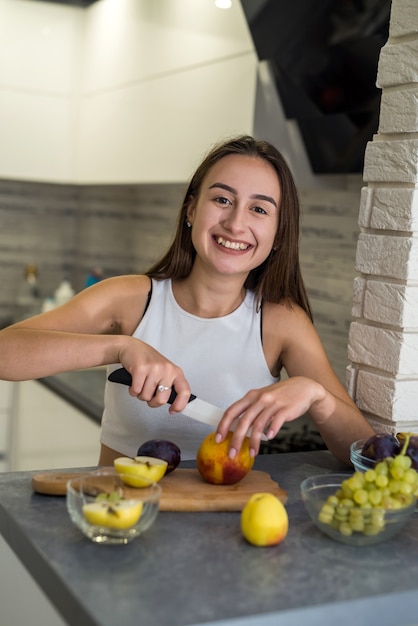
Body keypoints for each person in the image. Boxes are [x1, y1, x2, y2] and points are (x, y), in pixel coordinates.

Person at [0, 135, 374, 466]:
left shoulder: (282, 322)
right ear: (191, 210)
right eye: (223, 199)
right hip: (121, 522)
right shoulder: (129, 298)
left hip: (229, 532)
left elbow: (364, 450)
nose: (236, 223)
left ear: (278, 234)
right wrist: (119, 348)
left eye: (259, 209)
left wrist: (316, 396)